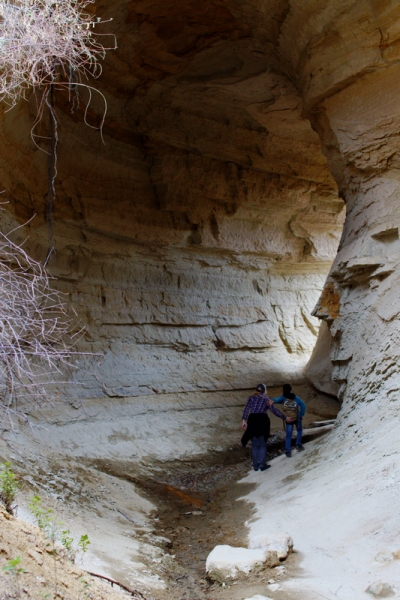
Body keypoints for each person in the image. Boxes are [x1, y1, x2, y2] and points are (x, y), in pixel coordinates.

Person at [241, 383, 292, 471]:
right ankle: (262, 465)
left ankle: (255, 466)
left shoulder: (251, 398)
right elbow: (274, 410)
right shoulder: (266, 399)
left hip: (252, 419)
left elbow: (246, 409)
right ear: (264, 390)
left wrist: (244, 420)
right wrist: (285, 417)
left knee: (254, 444)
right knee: (262, 443)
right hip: (262, 420)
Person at [273, 383, 306, 457]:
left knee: (288, 434)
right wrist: (300, 414)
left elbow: (277, 400)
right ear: (291, 390)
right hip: (296, 417)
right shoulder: (296, 398)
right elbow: (303, 405)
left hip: (288, 419)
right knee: (299, 430)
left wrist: (271, 400)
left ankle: (288, 451)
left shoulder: (283, 398)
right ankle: (298, 445)